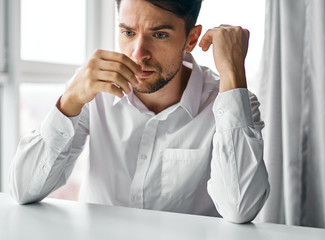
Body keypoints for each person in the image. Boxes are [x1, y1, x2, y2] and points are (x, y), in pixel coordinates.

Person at [9, 0, 270, 223]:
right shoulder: (91, 88)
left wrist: (233, 73)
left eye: (159, 35)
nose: (138, 53)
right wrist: (68, 103)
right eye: (128, 32)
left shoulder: (228, 103)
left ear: (191, 39)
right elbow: (23, 189)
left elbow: (241, 208)